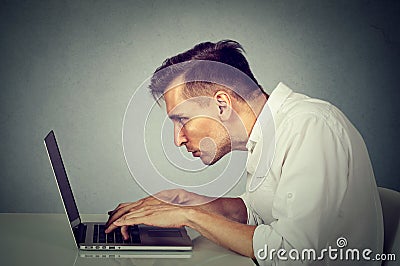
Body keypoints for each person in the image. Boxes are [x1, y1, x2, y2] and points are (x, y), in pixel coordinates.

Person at [105, 40, 383, 265]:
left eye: (182, 119)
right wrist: (187, 202)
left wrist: (190, 217)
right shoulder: (270, 134)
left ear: (222, 104)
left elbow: (291, 255)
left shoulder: (309, 127)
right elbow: (260, 214)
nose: (178, 139)